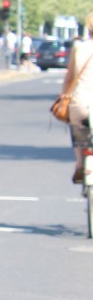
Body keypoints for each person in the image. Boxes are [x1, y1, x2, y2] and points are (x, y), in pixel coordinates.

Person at [59, 11, 93, 183]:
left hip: (80, 103)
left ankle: (80, 163)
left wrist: (64, 96)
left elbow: (69, 79)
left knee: (79, 132)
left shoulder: (79, 48)